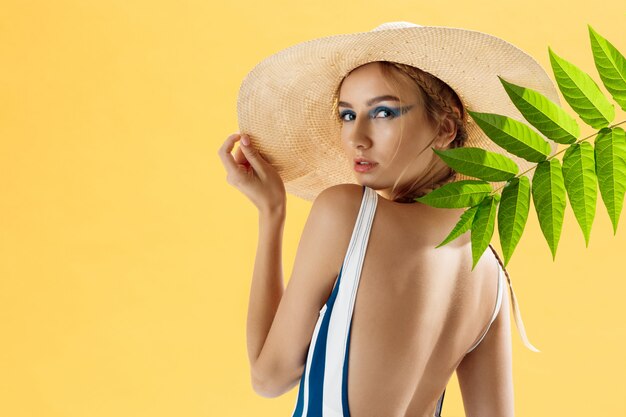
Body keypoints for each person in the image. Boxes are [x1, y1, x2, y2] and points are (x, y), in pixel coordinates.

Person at [218, 21, 559, 417]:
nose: (356, 137)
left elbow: (269, 377)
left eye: (383, 112)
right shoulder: (490, 269)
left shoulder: (346, 212)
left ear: (446, 127)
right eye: (347, 115)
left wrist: (271, 214)